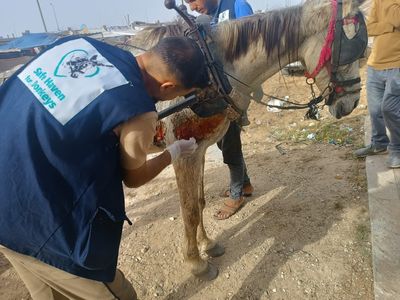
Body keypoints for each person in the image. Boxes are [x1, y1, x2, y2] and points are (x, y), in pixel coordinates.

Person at [0, 35, 209, 299]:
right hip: (40, 225)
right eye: (181, 94)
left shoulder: (78, 44)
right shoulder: (139, 112)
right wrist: (174, 152)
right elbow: (134, 178)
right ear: (168, 87)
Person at [185, 0, 254, 220]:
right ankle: (245, 183)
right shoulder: (205, 18)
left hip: (234, 91)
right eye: (187, 3)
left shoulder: (237, 6)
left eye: (193, 0)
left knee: (230, 140)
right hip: (216, 90)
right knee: (223, 139)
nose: (192, 7)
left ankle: (237, 193)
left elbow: (252, 47)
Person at [353, 0, 400, 168]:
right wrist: (388, 28)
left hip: (397, 64)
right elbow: (369, 28)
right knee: (374, 110)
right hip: (375, 65)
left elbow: (397, 20)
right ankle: (379, 143)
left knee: (389, 108)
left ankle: (397, 149)